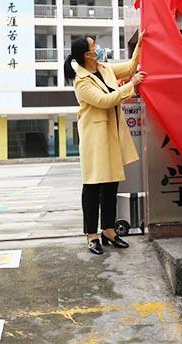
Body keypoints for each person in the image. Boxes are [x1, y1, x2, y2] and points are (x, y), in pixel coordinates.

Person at [64, 34, 146, 255]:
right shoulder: (81, 81)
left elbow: (130, 67)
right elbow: (104, 100)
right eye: (94, 46)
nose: (98, 48)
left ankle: (109, 231)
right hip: (95, 137)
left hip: (111, 133)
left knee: (111, 183)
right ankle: (91, 235)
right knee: (93, 185)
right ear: (87, 54)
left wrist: (140, 44)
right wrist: (131, 86)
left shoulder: (104, 68)